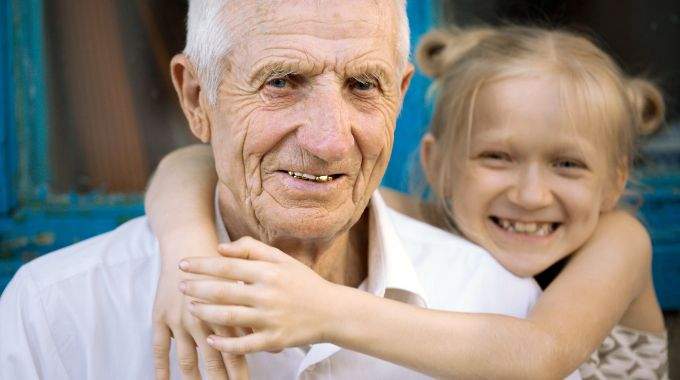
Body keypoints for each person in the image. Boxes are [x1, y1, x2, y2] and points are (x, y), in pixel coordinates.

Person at [0, 2, 544, 379]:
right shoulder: (57, 312)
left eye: (362, 85)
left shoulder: (495, 300)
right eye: (282, 82)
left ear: (399, 97)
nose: (330, 142)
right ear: (196, 98)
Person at [145, 26, 669, 379]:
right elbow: (192, 164)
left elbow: (538, 355)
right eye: (496, 157)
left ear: (615, 182)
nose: (530, 195)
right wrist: (187, 254)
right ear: (438, 165)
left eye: (568, 165)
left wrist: (322, 309)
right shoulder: (439, 218)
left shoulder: (617, 240)